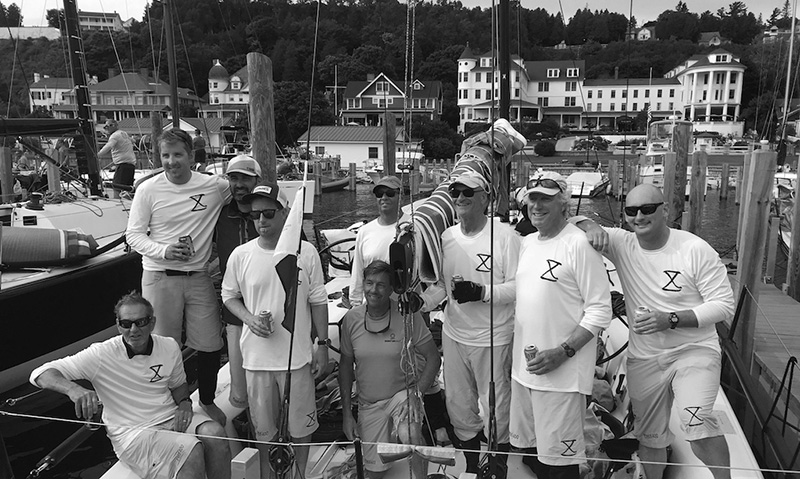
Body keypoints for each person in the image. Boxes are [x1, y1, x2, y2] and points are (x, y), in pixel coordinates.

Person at [577, 183, 735, 479]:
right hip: (645, 358)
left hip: (694, 352)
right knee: (650, 438)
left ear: (666, 211)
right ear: (624, 215)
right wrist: (589, 224)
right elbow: (570, 223)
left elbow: (724, 306)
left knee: (698, 425)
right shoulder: (621, 242)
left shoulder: (694, 249)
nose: (639, 217)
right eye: (632, 211)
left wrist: (670, 319)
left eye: (648, 209)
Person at [29, 292, 231, 479]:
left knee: (216, 434)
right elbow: (40, 373)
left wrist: (185, 402)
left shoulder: (169, 346)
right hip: (134, 434)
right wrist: (73, 389)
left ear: (152, 323)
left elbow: (178, 384)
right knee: (191, 451)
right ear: (118, 326)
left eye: (141, 322)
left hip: (169, 416)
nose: (133, 330)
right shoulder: (101, 354)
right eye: (126, 324)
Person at [221, 182, 329, 479]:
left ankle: (300, 475)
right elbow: (228, 296)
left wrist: (322, 344)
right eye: (255, 215)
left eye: (268, 213)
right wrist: (249, 318)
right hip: (256, 361)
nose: (261, 221)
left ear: (284, 213)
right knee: (264, 432)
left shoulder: (305, 253)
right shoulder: (240, 256)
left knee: (301, 429)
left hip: (297, 361)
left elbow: (318, 300)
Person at [509, 171, 612, 479]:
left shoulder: (579, 245)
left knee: (561, 465)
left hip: (562, 376)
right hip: (524, 373)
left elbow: (600, 310)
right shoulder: (527, 243)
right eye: (532, 199)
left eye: (546, 199)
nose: (536, 206)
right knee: (533, 456)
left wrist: (563, 351)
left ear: (564, 205)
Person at [126, 128, 231, 428]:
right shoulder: (147, 190)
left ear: (191, 157)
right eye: (166, 155)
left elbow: (239, 189)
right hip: (159, 276)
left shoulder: (213, 186)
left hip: (197, 275)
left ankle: (207, 400)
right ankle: (163, 406)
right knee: (160, 345)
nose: (171, 162)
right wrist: (164, 250)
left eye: (178, 155)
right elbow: (133, 235)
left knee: (210, 342)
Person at [418, 170, 520, 475]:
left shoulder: (506, 237)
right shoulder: (446, 238)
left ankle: (497, 465)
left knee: (496, 408)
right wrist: (421, 302)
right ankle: (473, 468)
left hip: (494, 338)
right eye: (456, 192)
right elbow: (439, 287)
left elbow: (519, 288)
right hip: (454, 335)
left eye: (468, 192)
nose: (460, 198)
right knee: (459, 406)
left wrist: (482, 292)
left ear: (485, 198)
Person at [339, 260, 442, 478]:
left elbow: (433, 358)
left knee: (411, 434)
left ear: (391, 289)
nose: (373, 290)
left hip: (402, 395)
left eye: (381, 285)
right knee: (373, 474)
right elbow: (346, 367)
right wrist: (347, 414)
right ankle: (386, 441)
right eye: (369, 283)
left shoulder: (407, 315)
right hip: (369, 403)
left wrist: (417, 393)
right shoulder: (351, 319)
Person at [214, 154, 260, 411]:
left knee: (273, 378)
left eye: (245, 178)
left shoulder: (272, 214)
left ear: (257, 180)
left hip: (270, 307)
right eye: (234, 178)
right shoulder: (218, 215)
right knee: (240, 385)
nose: (239, 183)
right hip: (234, 312)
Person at [349, 176, 409, 306]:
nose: (384, 197)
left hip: (405, 306)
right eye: (379, 194)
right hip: (372, 307)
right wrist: (355, 303)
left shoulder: (414, 226)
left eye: (390, 193)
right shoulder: (364, 231)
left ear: (402, 197)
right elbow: (358, 271)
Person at [98, 119, 137, 192]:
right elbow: (132, 141)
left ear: (112, 126)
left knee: (117, 188)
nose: (106, 129)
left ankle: (117, 202)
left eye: (106, 126)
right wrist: (133, 139)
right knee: (127, 189)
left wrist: (97, 155)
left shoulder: (114, 136)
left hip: (122, 165)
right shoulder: (123, 133)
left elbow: (109, 146)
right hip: (131, 165)